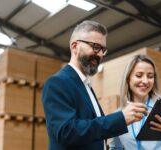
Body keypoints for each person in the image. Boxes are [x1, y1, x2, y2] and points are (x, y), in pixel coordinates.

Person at [42, 20, 148, 150]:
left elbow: (93, 136)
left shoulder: (85, 85)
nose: (101, 55)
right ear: (75, 46)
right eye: (95, 47)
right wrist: (120, 118)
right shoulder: (58, 83)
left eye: (103, 49)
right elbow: (67, 132)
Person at [110, 54, 161, 150]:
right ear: (128, 78)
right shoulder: (119, 114)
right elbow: (115, 147)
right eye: (139, 75)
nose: (145, 81)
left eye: (150, 76)